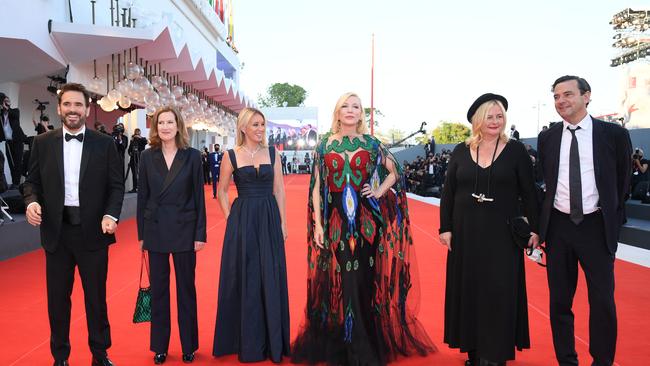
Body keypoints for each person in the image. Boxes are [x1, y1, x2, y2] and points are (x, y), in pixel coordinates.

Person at [291, 92, 435, 365]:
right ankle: (347, 343)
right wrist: (318, 225)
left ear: (361, 114)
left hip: (367, 222)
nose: (350, 110)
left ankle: (363, 346)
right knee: (346, 279)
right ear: (337, 112)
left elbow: (396, 172)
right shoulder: (324, 145)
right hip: (336, 223)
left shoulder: (371, 144)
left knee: (363, 280)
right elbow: (316, 189)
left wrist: (379, 191)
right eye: (345, 106)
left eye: (355, 106)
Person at [22, 83, 124, 366]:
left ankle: (100, 354)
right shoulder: (42, 143)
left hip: (93, 232)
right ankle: (60, 357)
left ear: (87, 109)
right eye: (67, 104)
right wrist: (31, 202)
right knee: (57, 301)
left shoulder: (104, 144)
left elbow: (116, 187)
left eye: (78, 105)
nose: (72, 110)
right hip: (57, 234)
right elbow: (31, 183)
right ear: (59, 108)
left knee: (96, 298)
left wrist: (111, 215)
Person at [537, 76, 632, 366]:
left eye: (567, 94)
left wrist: (609, 217)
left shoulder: (613, 134)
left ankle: (602, 362)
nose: (561, 101)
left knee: (603, 302)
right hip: (558, 227)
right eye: (556, 96)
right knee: (559, 302)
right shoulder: (548, 137)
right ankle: (567, 360)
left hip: (596, 225)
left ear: (587, 96)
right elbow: (545, 181)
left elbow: (623, 181)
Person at [439, 93, 539, 366]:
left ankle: (494, 354)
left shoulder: (516, 150)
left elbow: (530, 193)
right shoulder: (461, 150)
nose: (495, 121)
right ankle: (473, 351)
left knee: (499, 291)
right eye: (489, 116)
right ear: (477, 121)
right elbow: (448, 192)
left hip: (502, 235)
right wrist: (445, 228)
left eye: (500, 116)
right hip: (465, 233)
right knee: (469, 290)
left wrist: (536, 229)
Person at [212, 107, 290, 363]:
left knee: (270, 274)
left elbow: (279, 190)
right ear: (243, 127)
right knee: (247, 277)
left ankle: (272, 340)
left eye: (262, 125)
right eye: (255, 125)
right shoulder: (231, 155)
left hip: (268, 218)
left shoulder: (272, 153)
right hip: (243, 220)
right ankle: (247, 340)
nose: (260, 129)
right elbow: (222, 191)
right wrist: (229, 218)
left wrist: (282, 223)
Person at [137, 106, 206, 364]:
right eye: (161, 122)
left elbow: (199, 197)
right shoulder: (146, 157)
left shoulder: (192, 156)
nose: (165, 127)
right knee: (159, 292)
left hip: (185, 230)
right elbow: (142, 196)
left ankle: (189, 344)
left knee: (186, 290)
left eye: (170, 122)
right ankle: (160, 347)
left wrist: (200, 234)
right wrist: (142, 235)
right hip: (155, 230)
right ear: (156, 127)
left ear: (179, 126)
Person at [0, 92, 26, 188]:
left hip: (17, 141)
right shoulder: (1, 115)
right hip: (8, 142)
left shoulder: (15, 111)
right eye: (4, 101)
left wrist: (6, 108)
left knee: (17, 163)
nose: (6, 102)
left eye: (7, 101)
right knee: (11, 163)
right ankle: (14, 183)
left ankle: (16, 183)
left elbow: (15, 116)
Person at [127, 128, 147, 193]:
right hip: (133, 159)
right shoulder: (133, 140)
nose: (137, 133)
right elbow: (129, 150)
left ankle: (141, 188)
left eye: (138, 132)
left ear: (140, 133)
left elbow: (146, 142)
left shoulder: (142, 139)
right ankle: (134, 188)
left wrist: (140, 137)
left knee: (141, 174)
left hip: (140, 159)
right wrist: (130, 152)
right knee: (134, 174)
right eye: (136, 132)